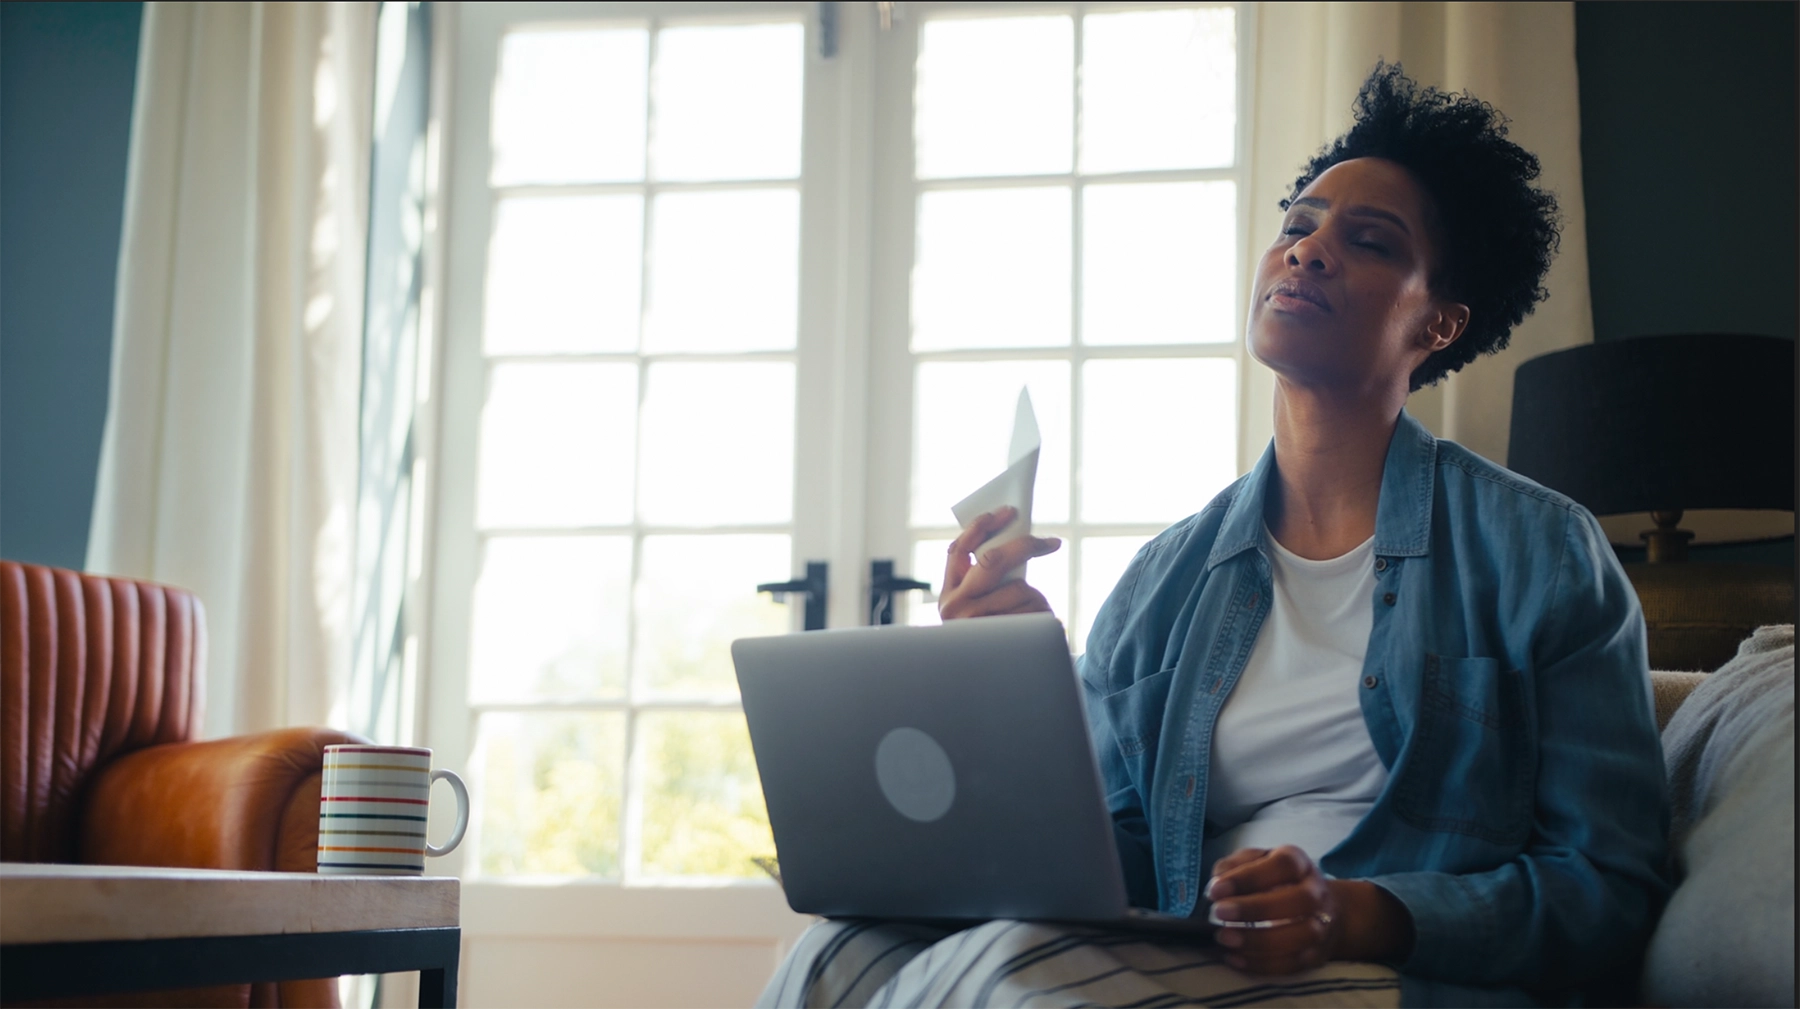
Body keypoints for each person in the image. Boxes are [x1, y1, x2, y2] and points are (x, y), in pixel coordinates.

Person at [756, 63, 1669, 1009]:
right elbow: (1107, 871)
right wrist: (1019, 696)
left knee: (1016, 978)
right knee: (837, 954)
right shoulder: (1163, 582)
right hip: (1179, 961)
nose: (1309, 252)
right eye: (1298, 225)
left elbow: (1608, 890)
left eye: (1368, 241)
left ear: (1438, 321)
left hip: (1403, 977)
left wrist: (1351, 911)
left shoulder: (1541, 555)